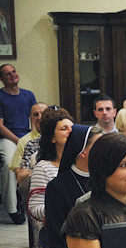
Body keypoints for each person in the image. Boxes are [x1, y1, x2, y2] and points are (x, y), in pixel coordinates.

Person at [1, 64, 36, 223]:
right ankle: (12, 209)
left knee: (39, 162)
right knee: (10, 164)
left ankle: (34, 203)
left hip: (27, 137)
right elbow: (0, 125)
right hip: (7, 139)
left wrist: (33, 137)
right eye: (8, 74)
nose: (12, 75)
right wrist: (19, 140)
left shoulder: (28, 95)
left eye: (14, 71)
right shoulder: (0, 97)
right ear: (2, 79)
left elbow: (35, 119)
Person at [27, 109, 73, 223]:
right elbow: (35, 209)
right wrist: (66, 209)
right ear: (52, 138)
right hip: (56, 227)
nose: (70, 131)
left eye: (73, 128)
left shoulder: (81, 164)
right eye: (64, 129)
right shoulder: (43, 168)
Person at [11, 101, 47, 185]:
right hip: (34, 184)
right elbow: (19, 175)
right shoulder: (24, 141)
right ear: (31, 119)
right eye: (36, 114)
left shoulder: (58, 137)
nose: (40, 117)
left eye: (43, 114)